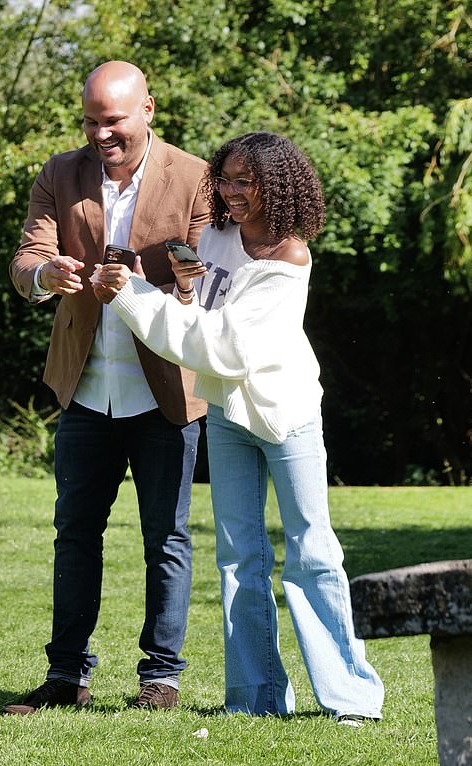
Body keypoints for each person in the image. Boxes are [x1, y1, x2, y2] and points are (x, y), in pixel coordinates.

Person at [94, 131, 385, 722]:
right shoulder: (220, 238)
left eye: (244, 182)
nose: (231, 192)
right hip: (227, 414)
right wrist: (175, 287)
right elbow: (197, 315)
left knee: (312, 553)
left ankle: (351, 698)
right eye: (225, 180)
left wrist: (131, 295)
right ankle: (255, 699)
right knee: (237, 557)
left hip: (286, 415)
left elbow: (223, 348)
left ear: (276, 185)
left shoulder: (288, 258)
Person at [2, 61, 209, 714]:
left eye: (113, 120)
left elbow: (204, 277)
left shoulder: (197, 176)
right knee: (75, 535)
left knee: (166, 539)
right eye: (91, 121)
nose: (100, 133)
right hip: (88, 391)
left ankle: (161, 680)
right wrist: (48, 274)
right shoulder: (58, 174)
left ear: (148, 107)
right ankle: (66, 678)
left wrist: (143, 282)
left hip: (166, 392)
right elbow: (26, 259)